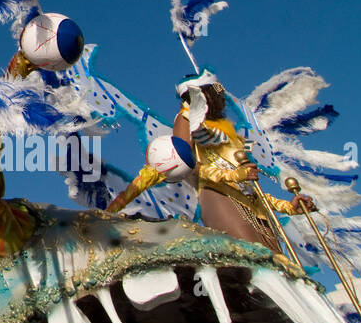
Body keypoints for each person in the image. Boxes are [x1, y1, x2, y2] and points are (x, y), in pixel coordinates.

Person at [107, 70, 316, 260]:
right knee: (261, 261)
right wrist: (233, 176)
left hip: (254, 208)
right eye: (217, 89)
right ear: (201, 94)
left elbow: (249, 188)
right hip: (220, 200)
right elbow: (187, 164)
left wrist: (288, 207)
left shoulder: (229, 134)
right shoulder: (186, 118)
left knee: (286, 269)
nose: (222, 93)